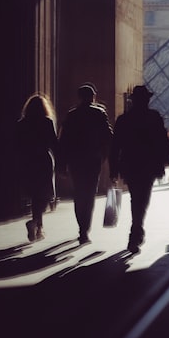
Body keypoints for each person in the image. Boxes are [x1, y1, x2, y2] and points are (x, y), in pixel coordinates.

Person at [109, 85, 169, 254]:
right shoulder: (154, 117)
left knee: (136, 198)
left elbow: (115, 147)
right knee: (143, 199)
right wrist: (164, 162)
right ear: (147, 100)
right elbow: (162, 142)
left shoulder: (123, 120)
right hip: (149, 165)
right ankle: (136, 231)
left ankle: (136, 231)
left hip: (130, 165)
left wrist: (113, 169)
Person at [59, 82, 113, 245]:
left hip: (75, 160)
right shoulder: (99, 113)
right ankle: (85, 229)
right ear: (93, 96)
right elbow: (108, 136)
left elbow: (64, 141)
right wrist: (107, 156)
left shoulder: (72, 115)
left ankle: (81, 226)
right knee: (89, 193)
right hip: (93, 159)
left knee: (78, 193)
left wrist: (62, 164)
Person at [15, 93, 59, 242]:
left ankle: (38, 226)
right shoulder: (47, 122)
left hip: (27, 161)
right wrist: (61, 160)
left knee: (34, 194)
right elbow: (54, 143)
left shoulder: (22, 123)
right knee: (44, 195)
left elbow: (17, 145)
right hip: (43, 160)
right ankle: (36, 224)